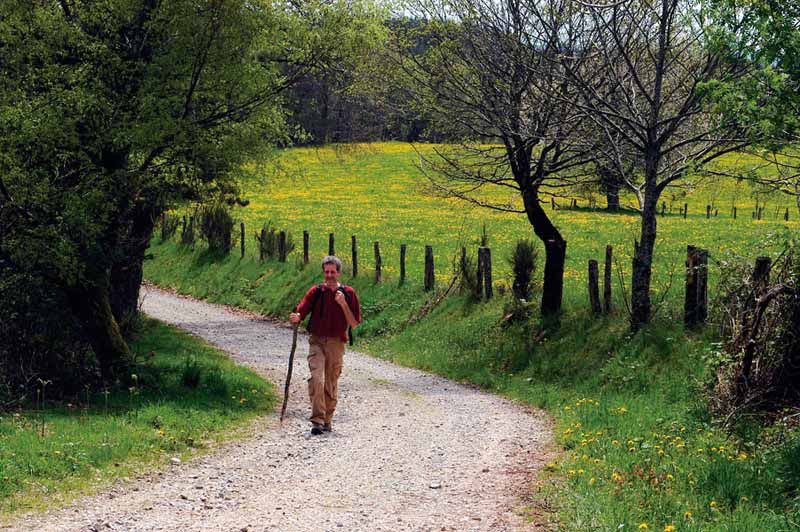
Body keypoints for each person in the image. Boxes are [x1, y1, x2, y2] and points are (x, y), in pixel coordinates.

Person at [289, 256, 361, 435]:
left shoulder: (349, 293)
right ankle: (317, 420)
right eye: (326, 272)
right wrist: (297, 317)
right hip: (317, 341)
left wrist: (343, 304)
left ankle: (327, 419)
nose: (329, 275)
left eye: (332, 272)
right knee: (316, 380)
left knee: (330, 383)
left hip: (337, 343)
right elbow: (302, 309)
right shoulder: (316, 292)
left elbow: (354, 323)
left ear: (338, 273)